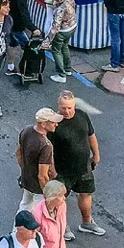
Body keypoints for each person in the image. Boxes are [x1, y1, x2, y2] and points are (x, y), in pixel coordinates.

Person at [50, 90, 104, 237]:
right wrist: (53, 172)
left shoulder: (82, 115)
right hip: (62, 170)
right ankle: (63, 227)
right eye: (63, 108)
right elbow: (48, 150)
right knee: (60, 199)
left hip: (83, 167)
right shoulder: (53, 123)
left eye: (69, 108)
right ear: (58, 106)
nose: (67, 111)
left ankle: (87, 222)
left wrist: (96, 154)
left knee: (86, 193)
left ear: (74, 105)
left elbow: (91, 135)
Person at [7, 0, 46, 86]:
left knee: (12, 44)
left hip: (10, 22)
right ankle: (23, 68)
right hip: (17, 24)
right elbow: (24, 13)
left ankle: (10, 66)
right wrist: (33, 28)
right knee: (27, 46)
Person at [17, 109, 58, 210]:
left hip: (26, 181)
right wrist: (48, 194)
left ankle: (18, 226)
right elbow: (42, 176)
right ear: (43, 124)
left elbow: (18, 153)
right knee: (41, 214)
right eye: (52, 122)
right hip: (38, 188)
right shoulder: (46, 145)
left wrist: (25, 171)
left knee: (24, 208)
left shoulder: (26, 130)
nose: (56, 124)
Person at [46, 0, 78, 82]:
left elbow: (55, 27)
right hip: (72, 26)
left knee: (56, 50)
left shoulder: (60, 9)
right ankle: (68, 69)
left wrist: (48, 40)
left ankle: (61, 74)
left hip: (62, 31)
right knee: (65, 46)